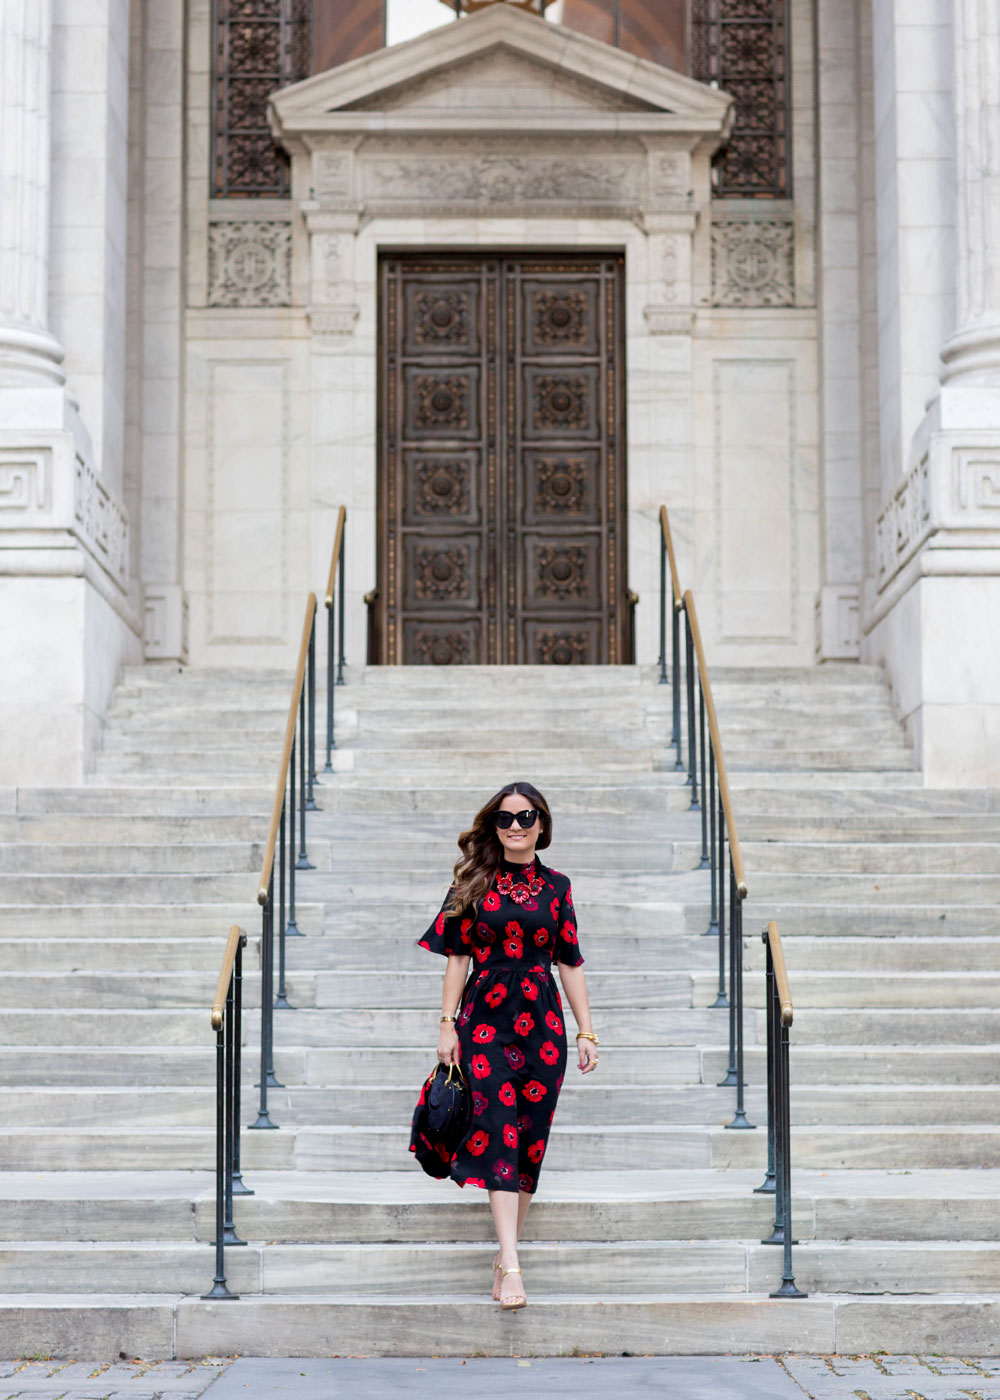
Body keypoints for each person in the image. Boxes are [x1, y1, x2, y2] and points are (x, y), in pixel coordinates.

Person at [413, 780, 598, 1312]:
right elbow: (456, 959)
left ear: (542, 826)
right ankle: (512, 1261)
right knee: (498, 1133)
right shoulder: (472, 882)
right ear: (493, 826)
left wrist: (586, 1030)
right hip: (485, 1024)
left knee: (530, 1142)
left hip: (542, 1025)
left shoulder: (558, 887)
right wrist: (446, 1025)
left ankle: (504, 1256)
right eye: (505, 818)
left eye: (526, 817)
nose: (515, 827)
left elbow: (570, 962)